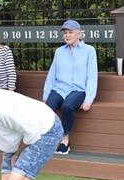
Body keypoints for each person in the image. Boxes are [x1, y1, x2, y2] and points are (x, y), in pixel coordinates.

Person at [42, 19, 98, 155]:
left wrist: (89, 99)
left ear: (79, 34)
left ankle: (65, 140)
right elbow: (52, 74)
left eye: (70, 32)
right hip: (60, 88)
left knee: (67, 106)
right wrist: (46, 95)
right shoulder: (59, 51)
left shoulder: (89, 51)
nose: (67, 35)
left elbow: (92, 76)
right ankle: (49, 139)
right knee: (47, 108)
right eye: (65, 33)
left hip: (78, 90)